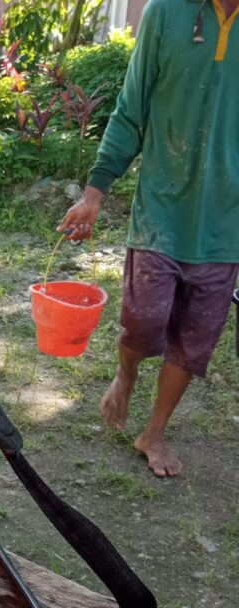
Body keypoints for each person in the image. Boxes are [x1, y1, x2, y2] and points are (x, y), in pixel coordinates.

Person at [59, 0, 239, 477]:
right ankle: (127, 373)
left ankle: (153, 433)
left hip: (226, 224)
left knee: (195, 342)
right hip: (160, 209)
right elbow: (131, 109)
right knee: (143, 322)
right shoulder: (166, 12)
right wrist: (94, 193)